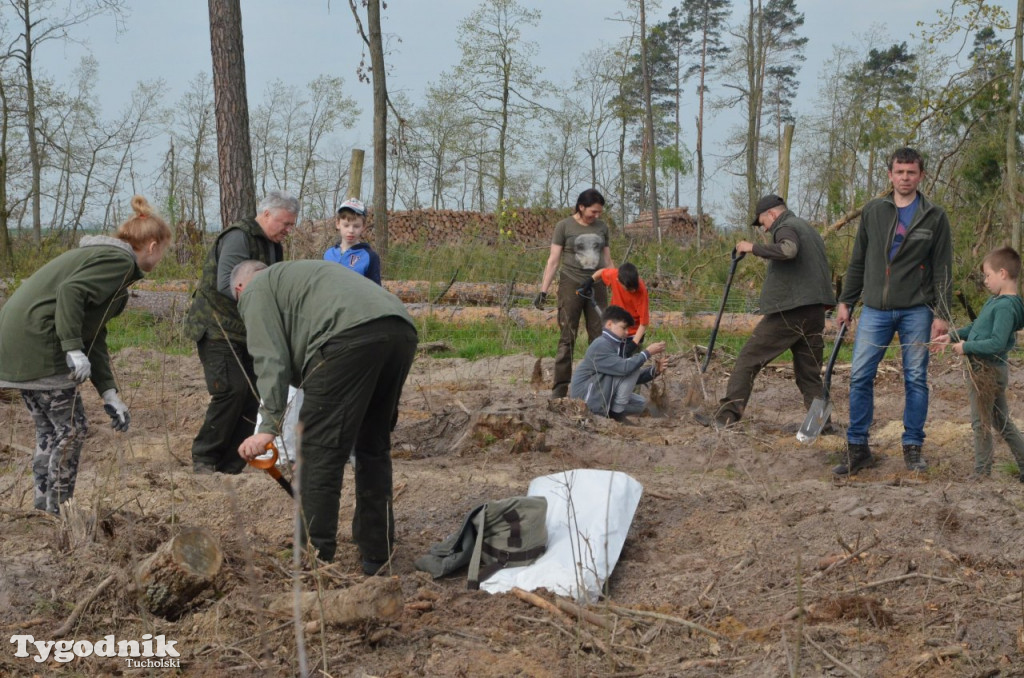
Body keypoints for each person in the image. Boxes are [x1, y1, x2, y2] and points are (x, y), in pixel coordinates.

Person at [232, 260, 418, 574]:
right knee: (372, 448)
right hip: (400, 328)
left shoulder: (255, 289)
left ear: (240, 288)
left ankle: (313, 562)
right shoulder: (299, 278)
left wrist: (268, 426)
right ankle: (377, 554)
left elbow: (270, 357)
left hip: (347, 338)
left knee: (319, 452)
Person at [0, 196, 172, 514]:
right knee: (72, 429)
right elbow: (71, 292)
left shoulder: (101, 258)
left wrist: (109, 393)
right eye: (163, 250)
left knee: (51, 431)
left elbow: (95, 334)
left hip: (19, 344)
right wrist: (72, 348)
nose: (161, 257)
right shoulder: (117, 262)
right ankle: (59, 512)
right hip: (41, 343)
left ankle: (43, 510)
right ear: (152, 245)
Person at [834, 147, 953, 475]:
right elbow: (858, 259)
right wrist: (846, 301)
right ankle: (857, 448)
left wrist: (941, 313)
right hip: (874, 309)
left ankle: (913, 448)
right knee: (859, 376)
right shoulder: (874, 211)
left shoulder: (935, 216)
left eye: (911, 173)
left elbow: (943, 268)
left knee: (915, 379)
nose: (904, 178)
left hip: (917, 310)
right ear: (890, 175)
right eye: (899, 172)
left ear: (921, 176)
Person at [696, 194, 836, 428]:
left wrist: (752, 248)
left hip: (791, 310)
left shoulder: (786, 227)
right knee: (809, 373)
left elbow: (788, 250)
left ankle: (725, 418)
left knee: (748, 359)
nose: (764, 229)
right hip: (815, 311)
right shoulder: (807, 229)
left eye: (763, 223)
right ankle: (821, 425)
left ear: (772, 214)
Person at [184, 191, 296, 474]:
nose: (288, 230)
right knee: (231, 390)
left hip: (249, 330)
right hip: (219, 327)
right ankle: (205, 459)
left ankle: (232, 464)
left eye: (291, 225)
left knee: (253, 395)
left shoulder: (272, 244)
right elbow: (226, 284)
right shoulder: (239, 237)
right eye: (285, 223)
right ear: (267, 214)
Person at [934, 247, 1024, 482]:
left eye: (987, 275)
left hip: (987, 372)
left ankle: (981, 472)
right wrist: (952, 337)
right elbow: (976, 329)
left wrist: (966, 348)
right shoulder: (996, 301)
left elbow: (996, 343)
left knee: (980, 422)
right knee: (1001, 421)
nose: (985, 281)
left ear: (1002, 273)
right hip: (984, 369)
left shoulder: (1005, 306)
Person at [534, 189, 613, 398]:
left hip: (596, 286)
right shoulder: (564, 226)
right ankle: (560, 391)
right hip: (571, 284)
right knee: (567, 337)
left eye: (599, 213)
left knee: (600, 337)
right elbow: (553, 260)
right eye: (593, 212)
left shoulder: (602, 227)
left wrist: (615, 284)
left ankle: (597, 389)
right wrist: (543, 291)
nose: (596, 216)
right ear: (581, 207)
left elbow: (607, 261)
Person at [569, 305, 667, 423]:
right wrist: (647, 352)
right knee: (632, 366)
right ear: (610, 324)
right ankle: (617, 413)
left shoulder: (616, 345)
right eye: (623, 328)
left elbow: (627, 377)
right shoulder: (600, 345)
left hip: (604, 392)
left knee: (644, 405)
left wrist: (654, 370)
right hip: (588, 401)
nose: (626, 333)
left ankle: (614, 411)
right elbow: (626, 369)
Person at [580, 262, 650, 356]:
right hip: (615, 330)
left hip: (633, 334)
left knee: (630, 365)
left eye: (634, 288)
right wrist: (590, 280)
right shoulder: (614, 275)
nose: (633, 291)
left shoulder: (641, 291)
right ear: (618, 280)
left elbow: (644, 323)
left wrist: (634, 344)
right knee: (611, 361)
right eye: (629, 289)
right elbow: (601, 272)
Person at [323, 197, 381, 285]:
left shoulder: (370, 257)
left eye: (356, 226)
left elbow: (376, 292)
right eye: (346, 225)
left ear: (363, 226)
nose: (351, 230)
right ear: (338, 224)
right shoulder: (328, 254)